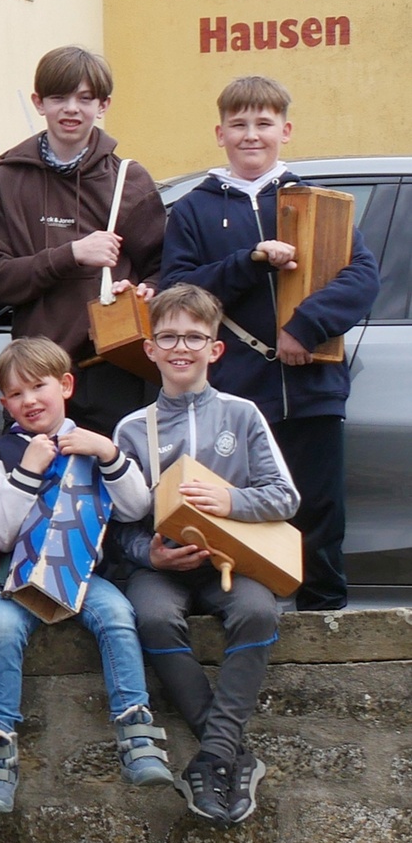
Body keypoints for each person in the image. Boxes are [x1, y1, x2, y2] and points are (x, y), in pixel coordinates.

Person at [161, 75, 378, 613]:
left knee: (320, 512)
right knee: (239, 510)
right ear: (220, 133)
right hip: (235, 392)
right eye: (238, 125)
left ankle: (326, 622)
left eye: (263, 124)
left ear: (286, 129)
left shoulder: (318, 202)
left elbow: (362, 276)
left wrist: (305, 327)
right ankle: (250, 620)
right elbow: (177, 290)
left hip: (313, 387)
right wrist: (250, 260)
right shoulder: (194, 209)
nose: (251, 135)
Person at [112, 284, 299, 826]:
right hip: (164, 567)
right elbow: (115, 529)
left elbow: (285, 495)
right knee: (149, 615)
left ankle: (213, 755)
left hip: (233, 560)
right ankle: (233, 758)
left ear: (216, 348)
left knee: (258, 611)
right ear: (149, 348)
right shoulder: (131, 428)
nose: (181, 348)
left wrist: (231, 500)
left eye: (195, 337)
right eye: (168, 336)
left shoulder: (243, 416)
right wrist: (148, 556)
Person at [0, 338, 168, 815]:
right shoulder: (1, 452)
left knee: (118, 615)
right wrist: (28, 473)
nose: (29, 401)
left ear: (65, 385)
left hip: (79, 573)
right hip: (16, 574)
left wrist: (108, 456)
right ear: (4, 404)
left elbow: (135, 507)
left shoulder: (96, 441)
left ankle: (136, 728)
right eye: (16, 395)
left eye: (38, 387)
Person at [0, 46, 167, 436]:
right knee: (37, 491)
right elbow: (1, 279)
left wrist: (143, 291)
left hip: (114, 373)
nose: (71, 109)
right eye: (59, 97)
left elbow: (163, 270)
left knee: (120, 490)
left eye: (85, 98)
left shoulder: (129, 180)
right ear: (39, 102)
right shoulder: (7, 179)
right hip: (35, 378)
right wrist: (72, 254)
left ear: (103, 105)